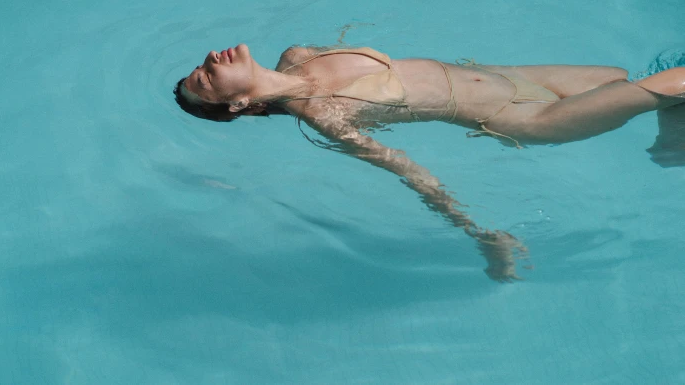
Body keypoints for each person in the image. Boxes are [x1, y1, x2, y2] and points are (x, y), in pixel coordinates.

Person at [174, 43, 685, 281]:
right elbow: (412, 174)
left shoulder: (299, 54)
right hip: (524, 113)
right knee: (669, 84)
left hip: (511, 71)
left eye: (199, 69)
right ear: (236, 106)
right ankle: (671, 135)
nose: (207, 63)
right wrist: (481, 234)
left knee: (628, 77)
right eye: (205, 81)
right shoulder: (325, 118)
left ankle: (671, 138)